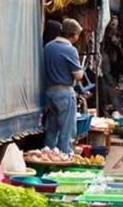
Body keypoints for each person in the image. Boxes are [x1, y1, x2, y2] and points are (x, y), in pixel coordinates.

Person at [44, 18, 84, 154]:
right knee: (67, 130)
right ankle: (65, 156)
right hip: (64, 93)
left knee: (52, 129)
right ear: (74, 35)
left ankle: (48, 156)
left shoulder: (48, 47)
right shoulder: (70, 50)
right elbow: (78, 75)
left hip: (49, 92)